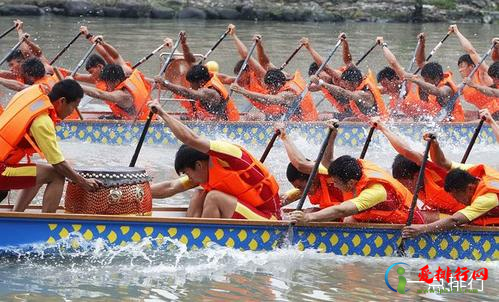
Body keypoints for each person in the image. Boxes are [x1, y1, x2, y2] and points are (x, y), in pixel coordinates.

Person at [147, 99, 281, 220]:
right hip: (247, 214)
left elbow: (191, 139)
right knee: (199, 194)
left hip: (268, 218)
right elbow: (171, 187)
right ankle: (191, 237)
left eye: (188, 173)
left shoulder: (227, 155)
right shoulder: (203, 173)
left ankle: (202, 241)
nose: (189, 178)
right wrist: (136, 192)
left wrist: (162, 113)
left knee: (213, 197)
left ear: (198, 165)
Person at [0, 80, 101, 212]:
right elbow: (58, 164)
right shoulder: (42, 121)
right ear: (62, 101)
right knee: (56, 175)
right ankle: (48, 225)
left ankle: (17, 215)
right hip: (2, 170)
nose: (72, 112)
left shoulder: (30, 94)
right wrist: (83, 182)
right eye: (73, 106)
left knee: (40, 171)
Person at [289, 155, 424, 224]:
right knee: (348, 220)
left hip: (406, 221)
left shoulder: (375, 191)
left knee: (347, 217)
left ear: (351, 183)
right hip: (378, 217)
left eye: (336, 182)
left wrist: (308, 218)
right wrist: (333, 134)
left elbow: (342, 209)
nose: (334, 185)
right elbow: (328, 160)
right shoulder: (351, 170)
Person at [373, 118, 464, 216]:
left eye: (404, 184)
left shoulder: (432, 171)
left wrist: (383, 128)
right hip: (453, 215)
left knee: (420, 217)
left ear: (416, 176)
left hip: (472, 213)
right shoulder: (417, 187)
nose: (403, 188)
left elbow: (406, 151)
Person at [402, 164, 499, 238]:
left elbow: (454, 220)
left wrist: (422, 229)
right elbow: (443, 161)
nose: (459, 202)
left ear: (470, 188)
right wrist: (434, 144)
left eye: (457, 198)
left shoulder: (487, 199)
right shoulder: (476, 174)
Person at [279, 121, 344, 211]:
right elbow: (284, 198)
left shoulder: (325, 170)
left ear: (312, 178)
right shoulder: (310, 186)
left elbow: (300, 164)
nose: (302, 191)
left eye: (300, 187)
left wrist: (284, 136)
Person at [156, 55, 240, 121]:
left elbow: (188, 93)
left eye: (191, 84)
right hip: (211, 119)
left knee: (170, 119)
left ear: (200, 82)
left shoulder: (210, 92)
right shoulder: (206, 76)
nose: (190, 86)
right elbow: (189, 62)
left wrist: (165, 83)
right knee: (178, 118)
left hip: (228, 124)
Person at [404, 33, 465, 122]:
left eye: (427, 81)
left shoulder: (447, 88)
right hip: (437, 121)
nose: (425, 83)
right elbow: (420, 62)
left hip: (454, 125)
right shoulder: (434, 75)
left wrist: (416, 81)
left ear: (436, 78)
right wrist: (422, 44)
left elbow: (437, 91)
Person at [230, 67, 318, 121]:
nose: (268, 89)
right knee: (247, 115)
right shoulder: (286, 80)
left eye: (269, 87)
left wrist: (244, 91)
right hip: (294, 118)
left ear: (276, 84)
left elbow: (270, 99)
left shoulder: (288, 94)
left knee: (252, 116)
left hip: (301, 124)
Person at [449, 25, 497, 116]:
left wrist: (457, 32)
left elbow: (471, 51)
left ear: (471, 66)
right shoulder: (463, 86)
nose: (459, 70)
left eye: (462, 66)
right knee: (457, 114)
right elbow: (446, 93)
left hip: (496, 111)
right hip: (485, 114)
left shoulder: (483, 73)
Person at [301, 35, 354, 119]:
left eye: (320, 75)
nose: (320, 79)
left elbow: (324, 66)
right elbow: (309, 88)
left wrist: (309, 47)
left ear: (325, 71)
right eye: (318, 77)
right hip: (349, 114)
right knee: (318, 115)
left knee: (322, 116)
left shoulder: (337, 77)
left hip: (358, 114)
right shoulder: (322, 83)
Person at [310, 65, 387, 121]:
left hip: (372, 122)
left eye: (346, 84)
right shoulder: (356, 88)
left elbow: (342, 92)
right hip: (361, 118)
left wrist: (321, 83)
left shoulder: (363, 94)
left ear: (354, 84)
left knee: (346, 120)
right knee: (322, 114)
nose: (345, 87)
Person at [79, 63, 151, 120]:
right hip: (148, 118)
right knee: (101, 118)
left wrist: (76, 86)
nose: (107, 86)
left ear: (116, 82)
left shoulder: (122, 95)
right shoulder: (127, 79)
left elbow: (99, 94)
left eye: (107, 83)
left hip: (143, 126)